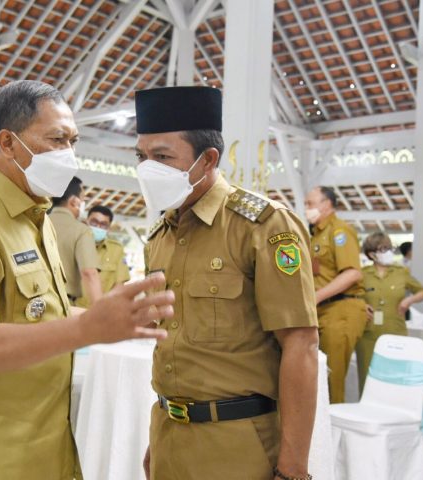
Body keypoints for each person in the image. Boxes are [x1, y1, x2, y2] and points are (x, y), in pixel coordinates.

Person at [0, 80, 175, 480]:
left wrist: (122, 320)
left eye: (73, 141)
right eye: (57, 140)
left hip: (43, 443)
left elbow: (37, 313)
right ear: (8, 142)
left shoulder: (36, 220)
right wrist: (87, 327)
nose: (69, 155)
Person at [136, 86, 319, 480]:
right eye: (142, 156)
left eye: (163, 156)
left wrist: (293, 469)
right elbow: (175, 346)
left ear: (208, 159)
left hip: (239, 444)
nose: (148, 168)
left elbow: (301, 343)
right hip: (170, 434)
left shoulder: (262, 226)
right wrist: (161, 434)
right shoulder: (159, 237)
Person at [305, 186, 368, 404]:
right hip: (322, 311)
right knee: (318, 377)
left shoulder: (339, 231)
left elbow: (352, 273)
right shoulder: (315, 235)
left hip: (340, 310)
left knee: (331, 379)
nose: (307, 209)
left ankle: (332, 434)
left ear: (327, 204)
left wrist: (316, 296)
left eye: (310, 204)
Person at [356, 232, 423, 393]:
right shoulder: (362, 274)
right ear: (371, 254)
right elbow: (352, 296)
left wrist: (408, 301)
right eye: (383, 249)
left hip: (396, 331)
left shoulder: (401, 272)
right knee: (367, 380)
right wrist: (360, 305)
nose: (388, 252)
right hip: (369, 334)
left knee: (395, 379)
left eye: (389, 248)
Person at [49, 177, 102, 305]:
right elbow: (89, 273)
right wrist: (102, 313)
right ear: (73, 201)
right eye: (83, 201)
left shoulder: (36, 224)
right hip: (62, 306)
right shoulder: (81, 230)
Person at [75, 205, 130, 308]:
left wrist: (103, 308)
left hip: (102, 312)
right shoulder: (74, 245)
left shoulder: (116, 250)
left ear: (109, 228)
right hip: (73, 310)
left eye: (103, 225)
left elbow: (119, 285)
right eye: (94, 222)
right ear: (86, 222)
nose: (98, 227)